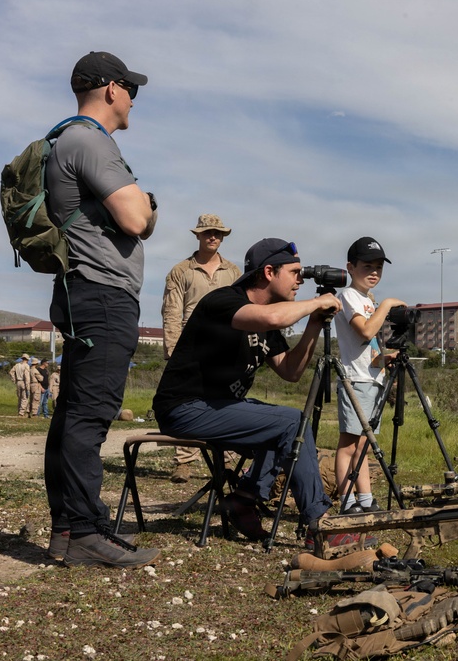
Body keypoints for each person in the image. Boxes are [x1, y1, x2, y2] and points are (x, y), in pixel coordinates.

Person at [43, 51, 160, 569]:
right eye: (130, 88)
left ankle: (69, 531)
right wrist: (150, 205)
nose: (134, 98)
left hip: (83, 292)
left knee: (73, 412)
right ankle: (86, 532)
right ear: (111, 88)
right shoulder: (90, 140)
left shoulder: (66, 139)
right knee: (89, 415)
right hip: (103, 294)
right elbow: (136, 218)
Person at [153, 238, 341, 544]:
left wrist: (313, 325)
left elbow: (290, 371)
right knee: (293, 422)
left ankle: (244, 498)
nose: (300, 280)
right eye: (295, 272)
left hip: (219, 407)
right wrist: (317, 303)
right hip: (185, 407)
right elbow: (273, 316)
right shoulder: (223, 301)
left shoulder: (269, 322)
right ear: (268, 272)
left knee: (287, 422)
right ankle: (320, 525)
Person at [161, 213, 241, 483]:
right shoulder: (181, 271)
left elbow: (244, 308)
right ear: (198, 235)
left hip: (227, 342)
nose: (213, 237)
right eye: (208, 232)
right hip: (191, 343)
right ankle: (184, 461)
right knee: (188, 401)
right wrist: (172, 348)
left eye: (218, 233)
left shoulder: (233, 272)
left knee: (227, 400)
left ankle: (227, 456)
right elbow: (171, 311)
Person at [332, 237, 405, 514]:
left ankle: (365, 499)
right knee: (348, 443)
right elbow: (364, 331)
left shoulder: (367, 300)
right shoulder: (349, 296)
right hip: (355, 379)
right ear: (351, 267)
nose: (374, 272)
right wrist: (385, 305)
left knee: (363, 445)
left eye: (378, 267)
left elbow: (366, 346)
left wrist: (384, 359)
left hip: (370, 377)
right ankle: (347, 501)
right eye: (367, 266)